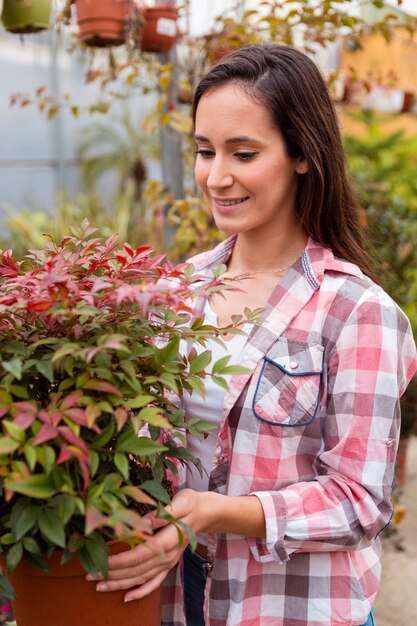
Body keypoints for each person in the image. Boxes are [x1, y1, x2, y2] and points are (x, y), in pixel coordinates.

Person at [90, 44, 417, 626]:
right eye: (203, 151)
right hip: (176, 590)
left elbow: (361, 503)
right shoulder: (177, 291)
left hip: (289, 607)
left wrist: (218, 512)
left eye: (243, 153)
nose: (216, 177)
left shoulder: (357, 312)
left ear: (301, 154)